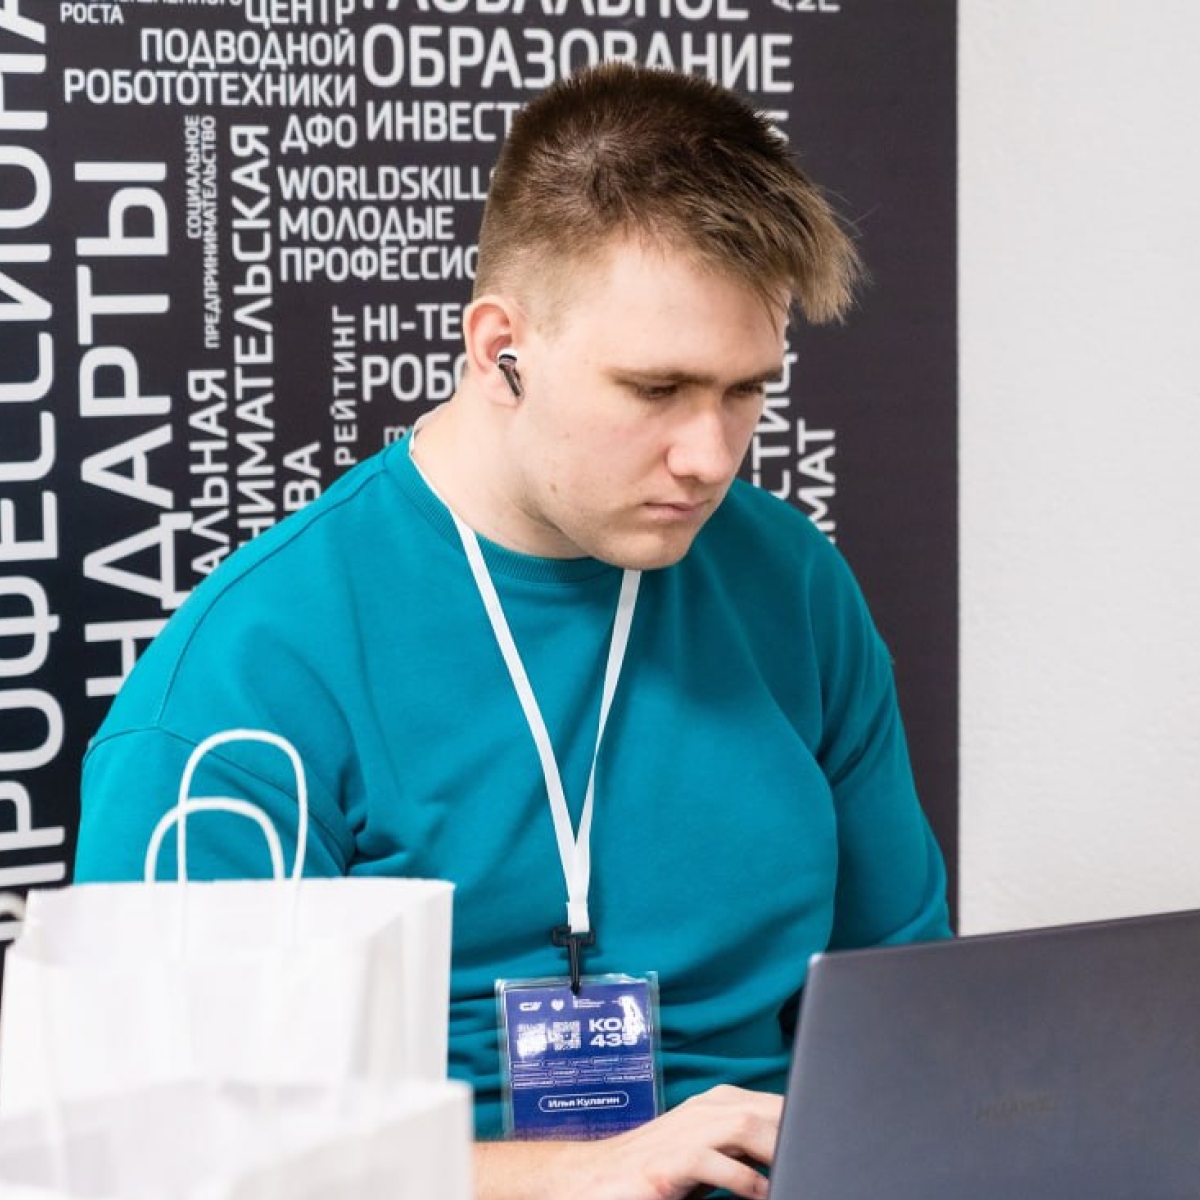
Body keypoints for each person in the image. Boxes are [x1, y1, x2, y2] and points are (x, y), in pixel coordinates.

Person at [75, 62, 950, 1199]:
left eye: (745, 391)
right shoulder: (251, 673)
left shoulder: (792, 583)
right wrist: (569, 1176)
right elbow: (158, 1155)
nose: (710, 457)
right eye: (656, 389)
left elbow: (909, 1019)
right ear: (501, 352)